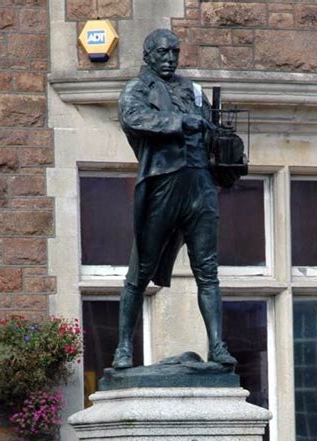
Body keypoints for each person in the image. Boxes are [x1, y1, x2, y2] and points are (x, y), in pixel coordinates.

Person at [112, 28, 237, 369]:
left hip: (200, 185)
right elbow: (134, 118)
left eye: (174, 52)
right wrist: (182, 122)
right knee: (140, 270)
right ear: (148, 56)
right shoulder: (137, 89)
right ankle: (124, 347)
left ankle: (217, 345)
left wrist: (226, 146)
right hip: (164, 184)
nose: (169, 58)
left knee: (208, 271)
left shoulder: (191, 90)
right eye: (163, 53)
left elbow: (212, 127)